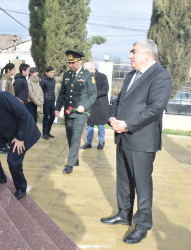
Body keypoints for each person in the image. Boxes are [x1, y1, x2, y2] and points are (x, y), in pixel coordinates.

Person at [101, 39, 172, 244]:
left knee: (142, 185)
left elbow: (155, 109)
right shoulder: (131, 75)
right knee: (123, 180)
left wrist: (128, 125)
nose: (130, 55)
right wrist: (112, 117)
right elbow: (118, 100)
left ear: (147, 55)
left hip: (141, 140)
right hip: (123, 136)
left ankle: (142, 225)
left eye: (134, 52)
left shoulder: (161, 76)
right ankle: (124, 214)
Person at [55, 50, 97, 174]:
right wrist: (57, 108)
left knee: (76, 138)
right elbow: (62, 93)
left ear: (80, 62)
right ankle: (75, 159)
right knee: (69, 136)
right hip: (69, 112)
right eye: (69, 63)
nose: (70, 65)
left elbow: (93, 94)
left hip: (80, 113)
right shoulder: (67, 75)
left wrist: (84, 106)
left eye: (73, 63)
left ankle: (70, 164)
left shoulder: (88, 75)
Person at [81, 62, 110, 150]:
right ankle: (88, 142)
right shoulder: (86, 77)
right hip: (90, 105)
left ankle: (101, 142)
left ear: (91, 69)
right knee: (89, 125)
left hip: (100, 105)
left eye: (85, 69)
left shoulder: (102, 76)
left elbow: (105, 90)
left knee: (101, 125)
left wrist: (93, 95)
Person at [0, 62, 16, 154]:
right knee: (3, 127)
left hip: (8, 108)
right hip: (4, 109)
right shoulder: (4, 80)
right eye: (14, 69)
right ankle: (1, 146)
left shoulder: (8, 80)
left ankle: (4, 144)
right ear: (9, 70)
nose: (15, 71)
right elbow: (1, 95)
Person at [40, 66, 56, 140]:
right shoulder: (42, 81)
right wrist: (41, 102)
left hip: (52, 101)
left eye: (53, 72)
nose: (52, 74)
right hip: (46, 102)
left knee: (52, 116)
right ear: (46, 73)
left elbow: (52, 90)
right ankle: (44, 133)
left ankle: (48, 131)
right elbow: (40, 91)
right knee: (46, 117)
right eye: (50, 73)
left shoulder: (53, 80)